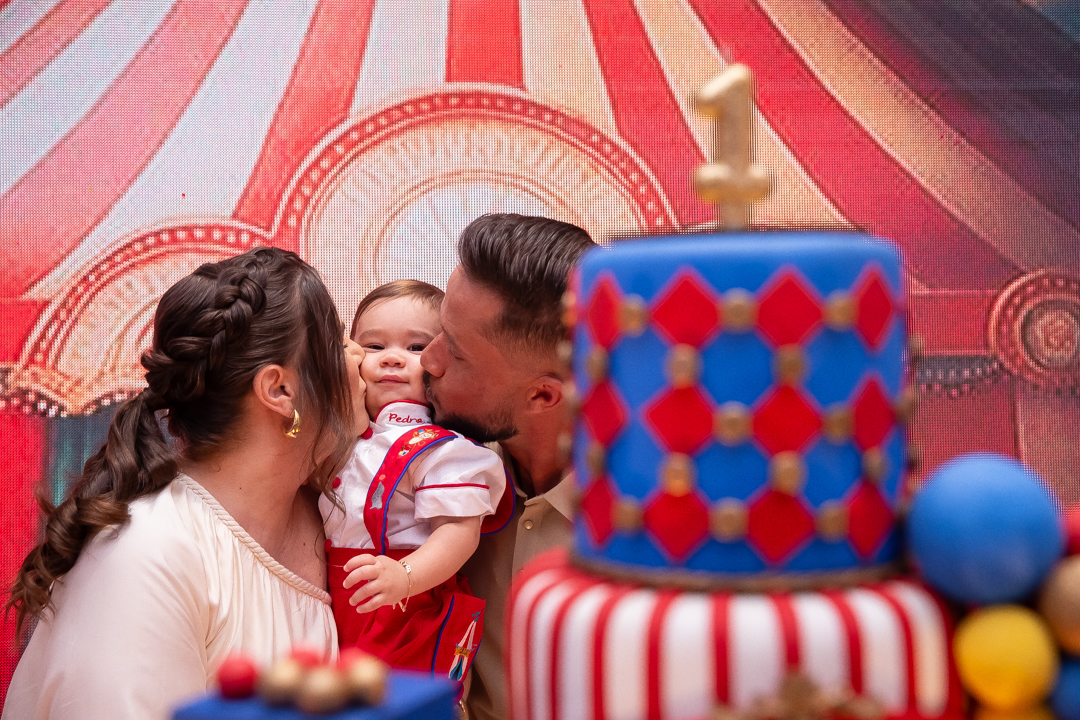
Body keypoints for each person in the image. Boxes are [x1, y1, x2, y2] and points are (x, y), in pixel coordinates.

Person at [2, 247, 365, 720]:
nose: (360, 358)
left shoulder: (341, 521)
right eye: (339, 341)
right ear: (280, 390)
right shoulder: (148, 553)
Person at [420, 213, 596, 720]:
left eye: (455, 351)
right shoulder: (425, 474)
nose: (427, 361)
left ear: (543, 395)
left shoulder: (657, 522)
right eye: (439, 332)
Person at [320, 280, 507, 681]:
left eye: (416, 347)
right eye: (373, 346)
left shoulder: (442, 450)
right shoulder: (343, 438)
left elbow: (459, 530)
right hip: (335, 607)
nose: (392, 359)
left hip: (408, 610)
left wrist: (405, 576)